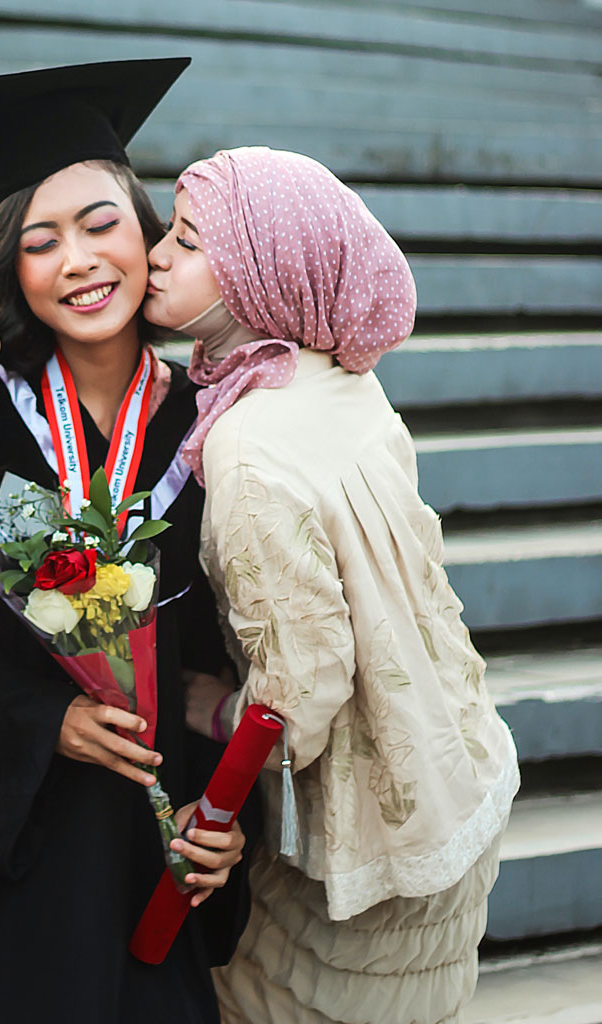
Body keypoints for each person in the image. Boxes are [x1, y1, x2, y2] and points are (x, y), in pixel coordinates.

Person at [0, 60, 248, 1024]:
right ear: (9, 267)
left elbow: (229, 660)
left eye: (102, 225)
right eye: (41, 243)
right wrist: (41, 721)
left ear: (148, 233)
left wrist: (225, 817)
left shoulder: (216, 422)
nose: (80, 261)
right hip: (10, 853)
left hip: (154, 837)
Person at [143, 146, 520, 1024]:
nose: (157, 254)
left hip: (371, 821)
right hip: (449, 760)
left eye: (189, 241)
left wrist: (213, 712)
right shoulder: (346, 381)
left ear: (261, 273)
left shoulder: (245, 447)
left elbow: (301, 690)